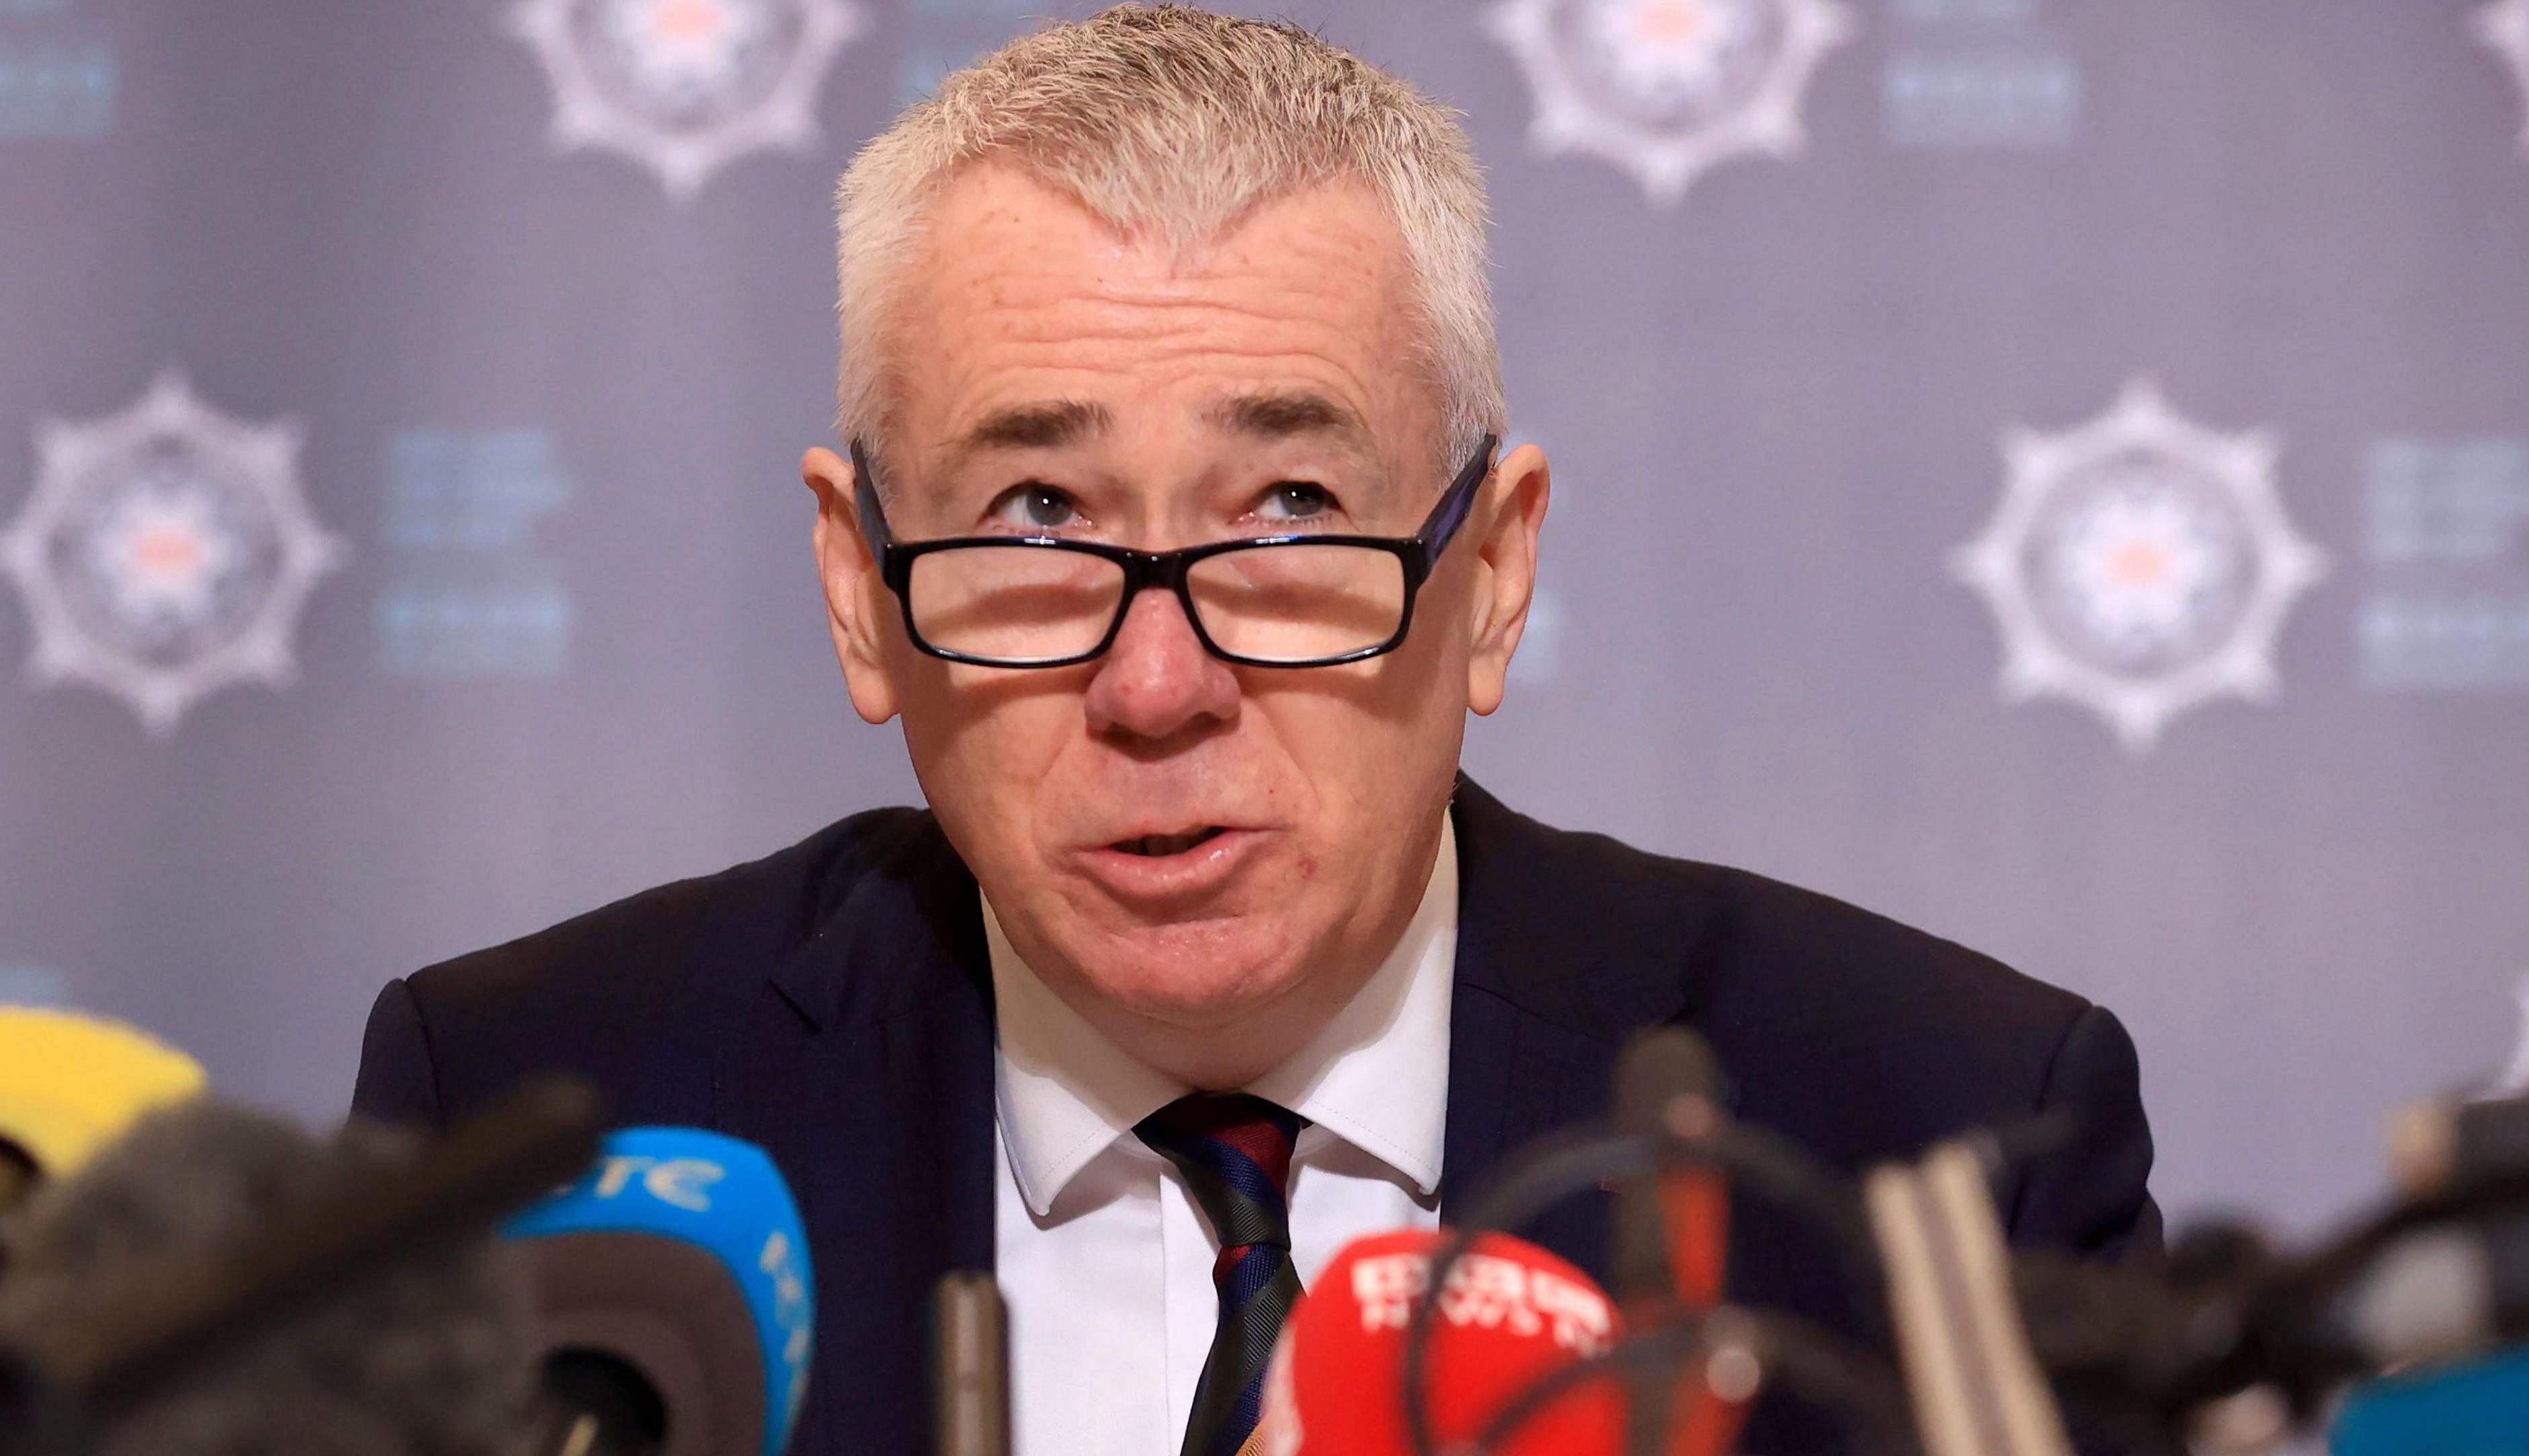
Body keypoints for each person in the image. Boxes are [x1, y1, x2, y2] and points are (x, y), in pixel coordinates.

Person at [352, 7, 2161, 1453]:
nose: (1158, 690)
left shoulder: (1936, 1140)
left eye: (1290, 517)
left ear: (1497, 574)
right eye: (1037, 524)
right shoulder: (535, 1137)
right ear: (858, 586)